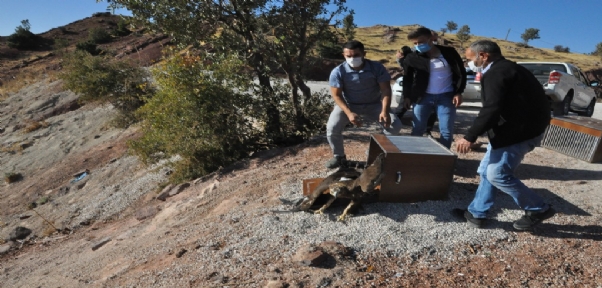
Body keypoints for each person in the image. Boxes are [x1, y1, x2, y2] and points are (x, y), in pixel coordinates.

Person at [454, 39, 555, 231]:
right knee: (486, 172)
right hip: (511, 130)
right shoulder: (509, 69)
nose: (469, 64)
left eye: (470, 59)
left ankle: (538, 208)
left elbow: (491, 109)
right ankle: (477, 213)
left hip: (518, 133)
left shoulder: (497, 73)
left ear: (483, 56)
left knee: (497, 174)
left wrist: (469, 136)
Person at [325, 40, 402, 169]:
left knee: (395, 126)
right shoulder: (338, 71)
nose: (352, 59)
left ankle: (379, 154)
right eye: (348, 56)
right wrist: (349, 113)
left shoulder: (376, 68)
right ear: (343, 55)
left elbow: (385, 90)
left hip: (374, 104)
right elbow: (336, 95)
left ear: (364, 54)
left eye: (355, 55)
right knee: (332, 127)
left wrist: (385, 111)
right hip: (349, 105)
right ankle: (339, 156)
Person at [402, 27, 466, 148]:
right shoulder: (412, 57)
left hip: (447, 97)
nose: (418, 45)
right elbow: (407, 79)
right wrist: (407, 96)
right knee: (418, 129)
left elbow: (461, 73)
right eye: (415, 43)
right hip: (422, 98)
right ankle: (414, 156)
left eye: (421, 42)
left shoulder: (449, 53)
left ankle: (443, 161)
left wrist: (458, 92)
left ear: (431, 39)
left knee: (446, 131)